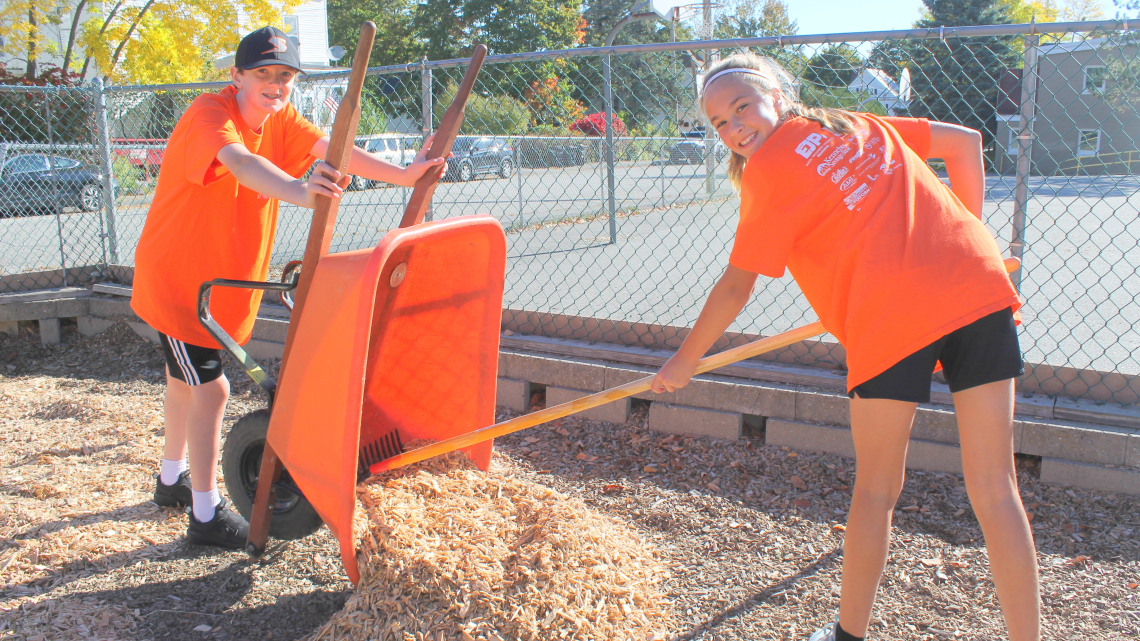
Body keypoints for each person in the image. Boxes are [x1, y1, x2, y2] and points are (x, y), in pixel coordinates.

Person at [650, 53, 1040, 641]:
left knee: (878, 489)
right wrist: (969, 234)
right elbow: (965, 145)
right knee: (995, 487)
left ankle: (848, 637)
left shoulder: (770, 168)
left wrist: (686, 360)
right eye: (719, 123)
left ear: (777, 95)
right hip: (976, 285)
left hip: (890, 320)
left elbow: (737, 285)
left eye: (741, 107)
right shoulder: (851, 121)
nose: (734, 128)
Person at [131, 26, 447, 549]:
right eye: (263, 74)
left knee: (182, 382)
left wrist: (406, 176)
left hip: (221, 283)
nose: (275, 86)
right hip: (182, 285)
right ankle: (205, 514)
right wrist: (300, 191)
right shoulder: (209, 115)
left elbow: (335, 149)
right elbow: (240, 163)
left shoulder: (282, 119)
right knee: (211, 389)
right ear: (236, 76)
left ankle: (170, 481)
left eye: (284, 76)